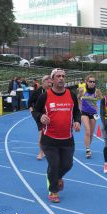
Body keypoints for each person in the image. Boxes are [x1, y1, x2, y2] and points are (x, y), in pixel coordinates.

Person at [33, 68, 81, 203]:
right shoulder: (45, 96)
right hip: (49, 139)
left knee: (68, 164)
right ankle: (53, 191)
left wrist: (77, 121)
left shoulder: (71, 95)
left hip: (67, 138)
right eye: (58, 76)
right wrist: (40, 116)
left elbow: (77, 111)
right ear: (52, 79)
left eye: (63, 76)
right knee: (54, 165)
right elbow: (35, 111)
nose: (61, 78)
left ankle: (56, 177)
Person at [78, 75, 102, 159]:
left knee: (91, 133)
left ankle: (88, 146)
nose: (92, 83)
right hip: (84, 113)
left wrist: (98, 107)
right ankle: (88, 150)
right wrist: (80, 107)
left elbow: (103, 101)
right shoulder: (82, 90)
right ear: (86, 82)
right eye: (90, 81)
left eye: (93, 82)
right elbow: (77, 98)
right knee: (87, 131)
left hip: (93, 114)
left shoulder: (97, 91)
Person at [29, 75, 52, 160]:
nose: (49, 83)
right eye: (47, 81)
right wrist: (33, 112)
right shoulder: (36, 92)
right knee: (41, 133)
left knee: (51, 133)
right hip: (40, 115)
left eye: (50, 81)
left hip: (52, 114)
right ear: (43, 82)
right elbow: (30, 103)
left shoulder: (54, 91)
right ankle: (41, 152)